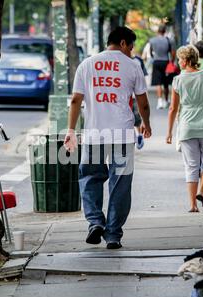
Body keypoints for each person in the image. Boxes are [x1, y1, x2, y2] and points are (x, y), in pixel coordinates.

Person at [64, 26, 152, 249]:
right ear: (122, 43)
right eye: (130, 47)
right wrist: (146, 124)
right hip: (122, 135)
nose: (131, 52)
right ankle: (113, 234)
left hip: (94, 134)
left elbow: (75, 100)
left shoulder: (87, 64)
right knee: (120, 184)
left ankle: (95, 222)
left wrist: (70, 130)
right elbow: (142, 102)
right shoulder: (132, 66)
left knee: (90, 178)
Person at [166, 45, 203, 212]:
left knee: (191, 165)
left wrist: (169, 132)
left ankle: (192, 205)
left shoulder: (178, 80)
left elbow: (173, 109)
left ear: (187, 60)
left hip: (186, 127)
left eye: (180, 59)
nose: (179, 63)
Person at [149, 24, 176, 109]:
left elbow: (151, 51)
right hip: (166, 62)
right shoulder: (169, 40)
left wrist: (154, 57)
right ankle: (166, 100)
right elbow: (173, 52)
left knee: (158, 83)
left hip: (156, 62)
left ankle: (160, 101)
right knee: (166, 83)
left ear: (158, 31)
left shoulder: (152, 40)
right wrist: (171, 62)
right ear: (165, 31)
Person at [132, 53, 149, 149]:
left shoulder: (138, 60)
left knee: (137, 118)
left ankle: (139, 136)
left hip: (136, 95)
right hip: (125, 97)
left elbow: (143, 76)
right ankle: (131, 138)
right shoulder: (120, 60)